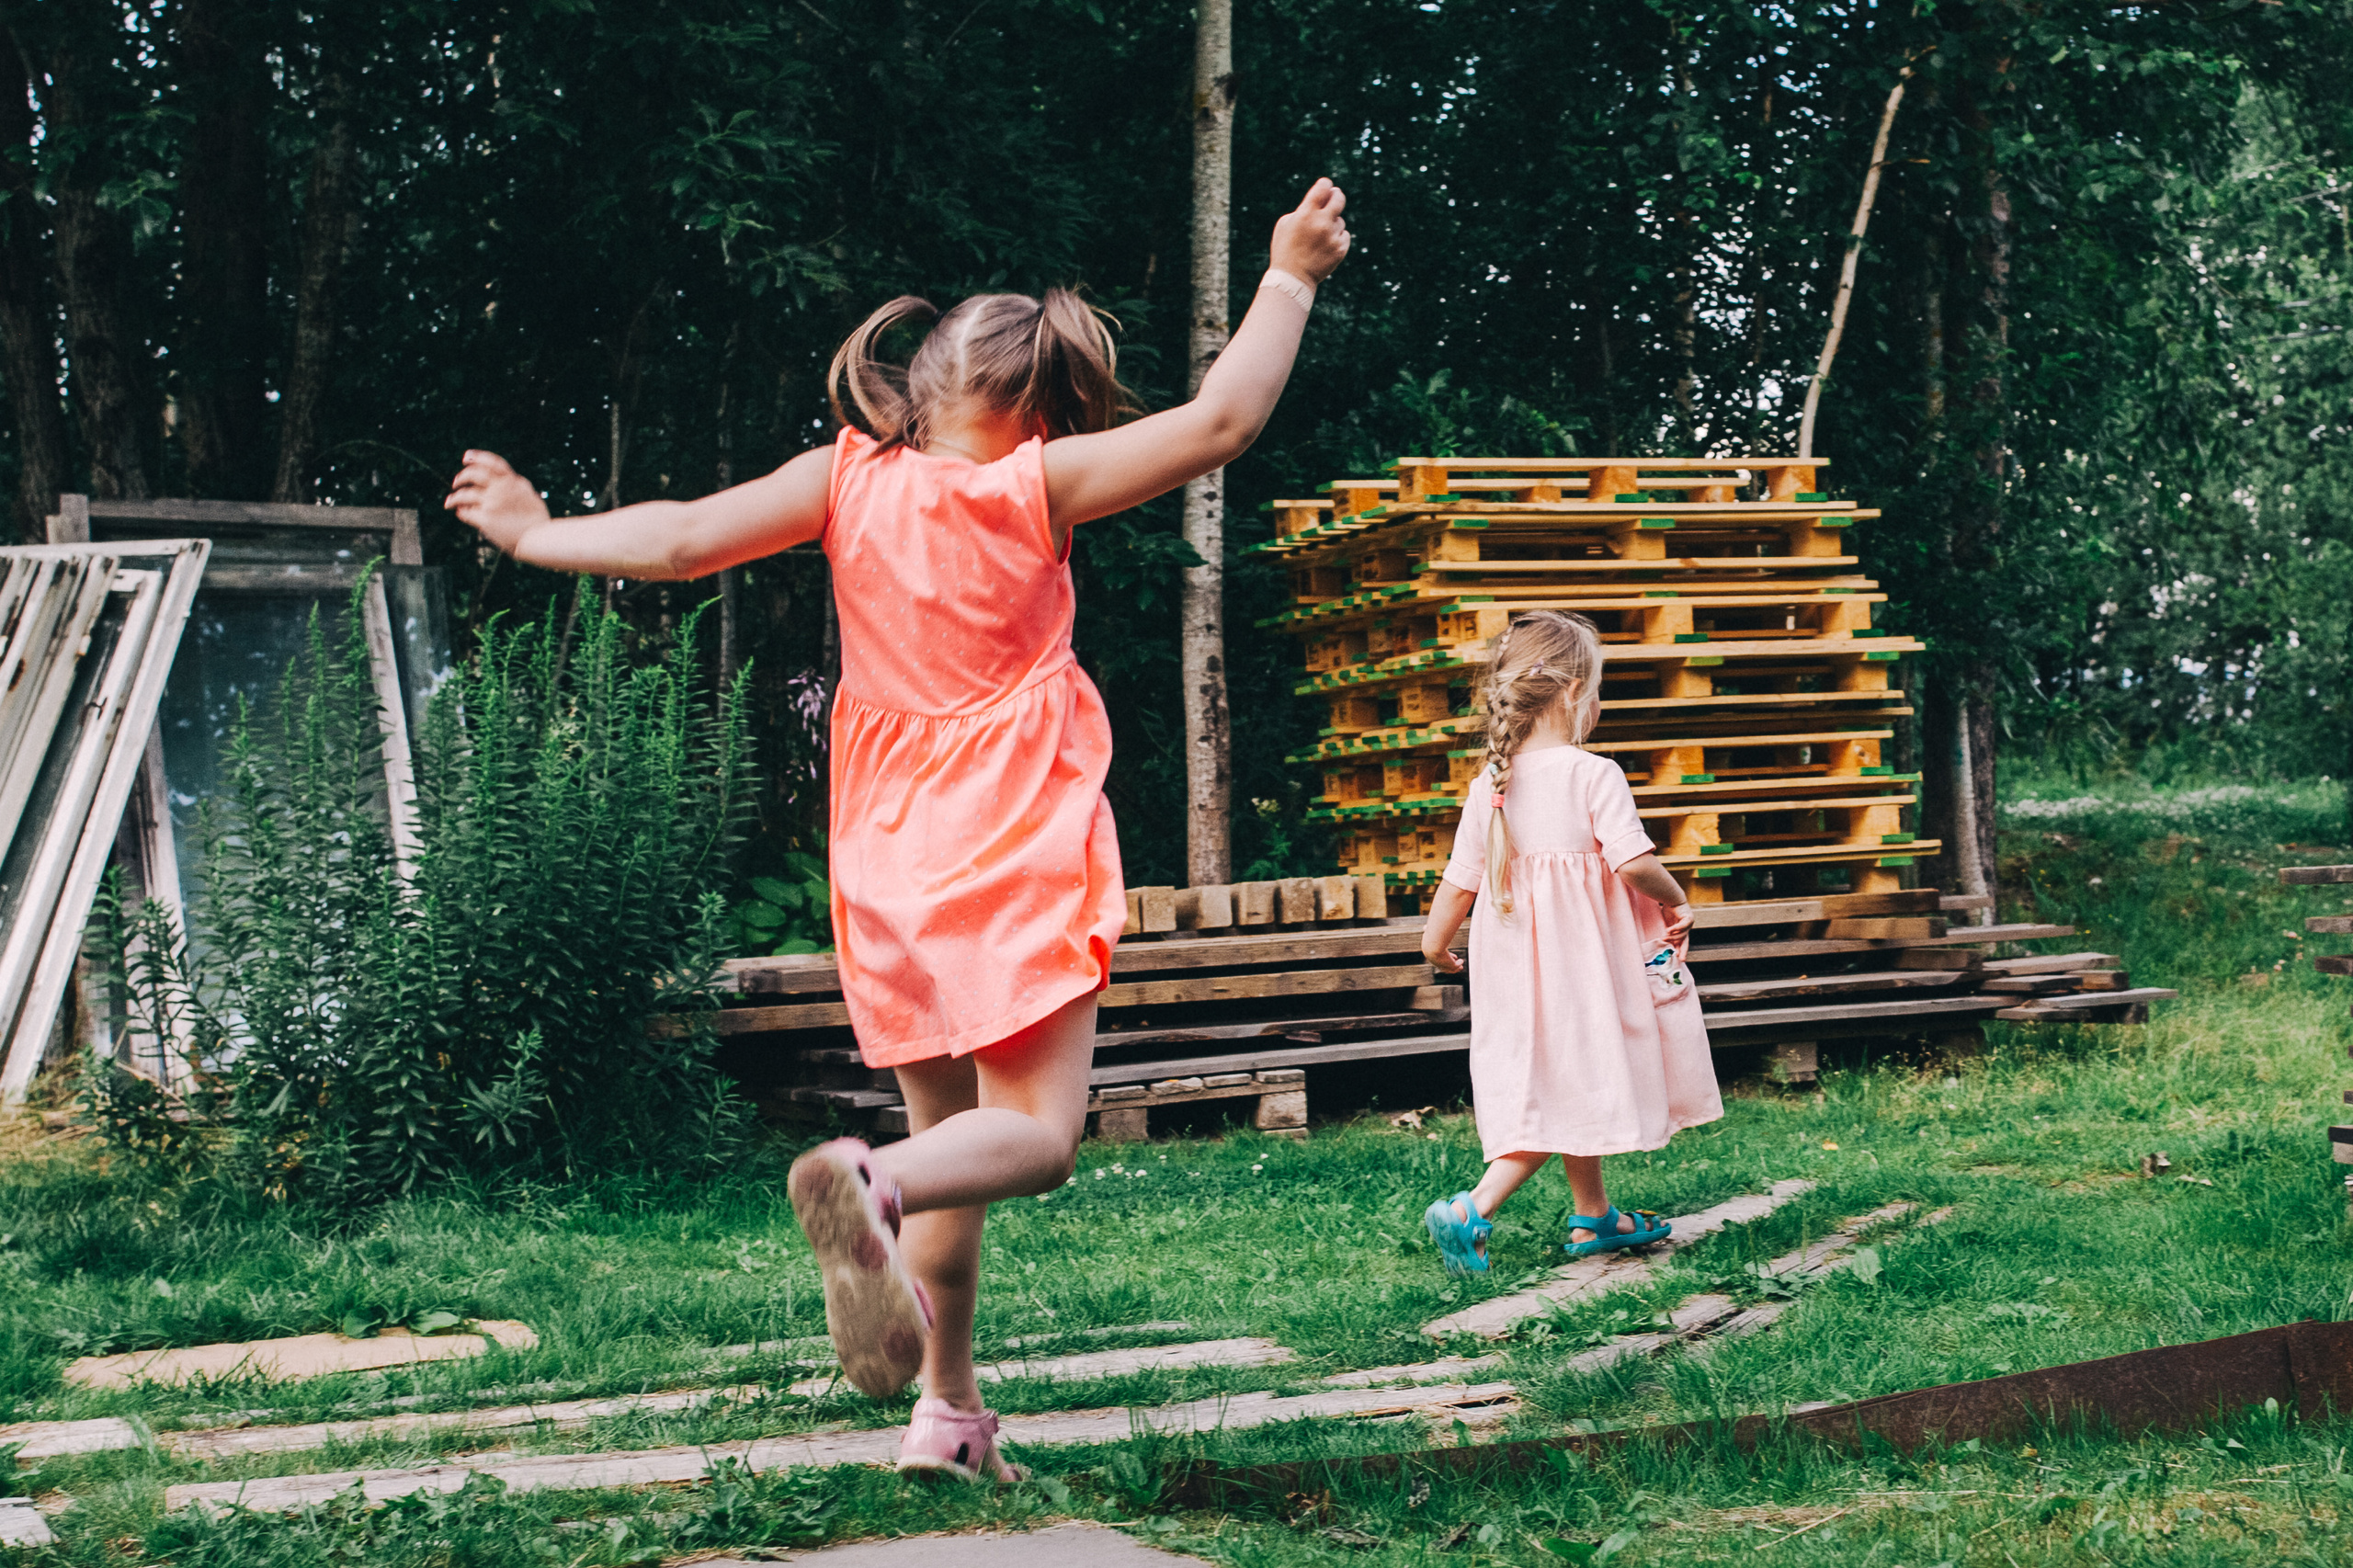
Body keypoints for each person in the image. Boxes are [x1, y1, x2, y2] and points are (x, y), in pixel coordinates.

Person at [446, 178, 1352, 1483]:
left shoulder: (845, 481)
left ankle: (948, 1411)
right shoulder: (1037, 488)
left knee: (948, 1153)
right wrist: (1291, 275)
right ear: (1044, 406)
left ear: (916, 389)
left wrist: (537, 535)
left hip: (886, 855)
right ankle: (870, 1187)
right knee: (1028, 1141)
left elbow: (686, 540)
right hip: (1008, 839)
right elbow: (1221, 420)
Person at [1418, 609, 1721, 1275]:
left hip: (1517, 978)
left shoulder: (1489, 786)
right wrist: (1677, 899)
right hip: (1584, 972)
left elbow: (1458, 882)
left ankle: (1594, 1218)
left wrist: (1435, 946)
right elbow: (1633, 862)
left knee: (1571, 1082)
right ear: (1574, 693)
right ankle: (1474, 1208)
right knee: (1567, 1090)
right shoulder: (1593, 774)